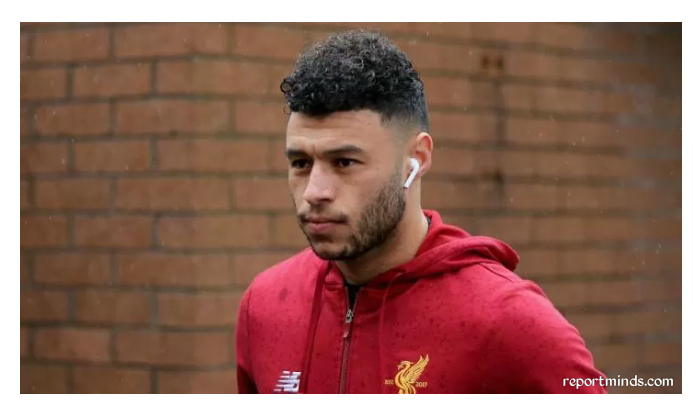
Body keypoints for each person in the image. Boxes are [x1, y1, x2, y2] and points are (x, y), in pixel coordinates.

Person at [235, 29, 606, 394]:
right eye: (300, 163)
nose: (315, 192)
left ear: (417, 159)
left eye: (345, 162)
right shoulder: (265, 306)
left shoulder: (508, 321)